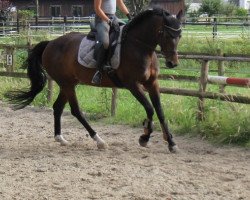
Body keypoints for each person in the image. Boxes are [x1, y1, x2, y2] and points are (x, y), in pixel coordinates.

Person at [92, 0, 131, 85]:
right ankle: (98, 71)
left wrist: (129, 16)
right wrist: (109, 21)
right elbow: (97, 9)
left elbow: (120, 3)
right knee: (105, 42)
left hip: (114, 17)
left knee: (127, 33)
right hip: (101, 19)